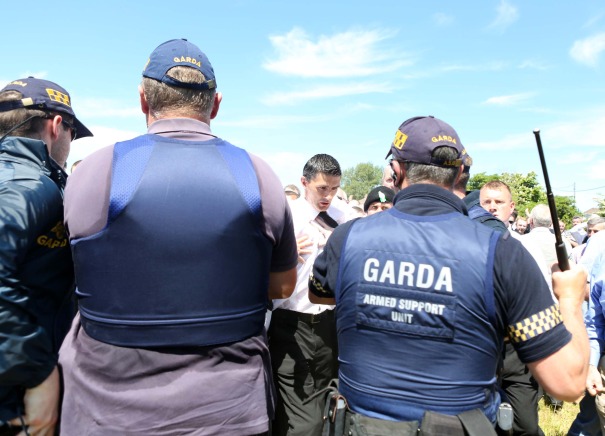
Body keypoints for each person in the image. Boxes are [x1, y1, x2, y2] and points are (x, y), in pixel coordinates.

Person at [58, 38, 297, 435]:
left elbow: (75, 268)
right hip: (229, 413)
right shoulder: (258, 176)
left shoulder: (94, 171)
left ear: (143, 99)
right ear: (215, 104)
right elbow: (283, 285)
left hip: (106, 413)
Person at [309, 115, 588, 434]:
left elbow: (319, 293)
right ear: (459, 174)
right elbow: (568, 383)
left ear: (397, 171)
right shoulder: (501, 252)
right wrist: (570, 301)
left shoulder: (347, 238)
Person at [0, 77, 92, 436]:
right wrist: (37, 373)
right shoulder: (31, 186)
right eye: (72, 132)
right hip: (18, 397)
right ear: (56, 126)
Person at [269, 154, 346, 436]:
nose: (328, 196)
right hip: (291, 324)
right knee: (303, 418)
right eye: (322, 188)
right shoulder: (285, 217)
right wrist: (283, 256)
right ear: (304, 182)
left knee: (323, 403)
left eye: (334, 189)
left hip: (328, 325)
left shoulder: (342, 218)